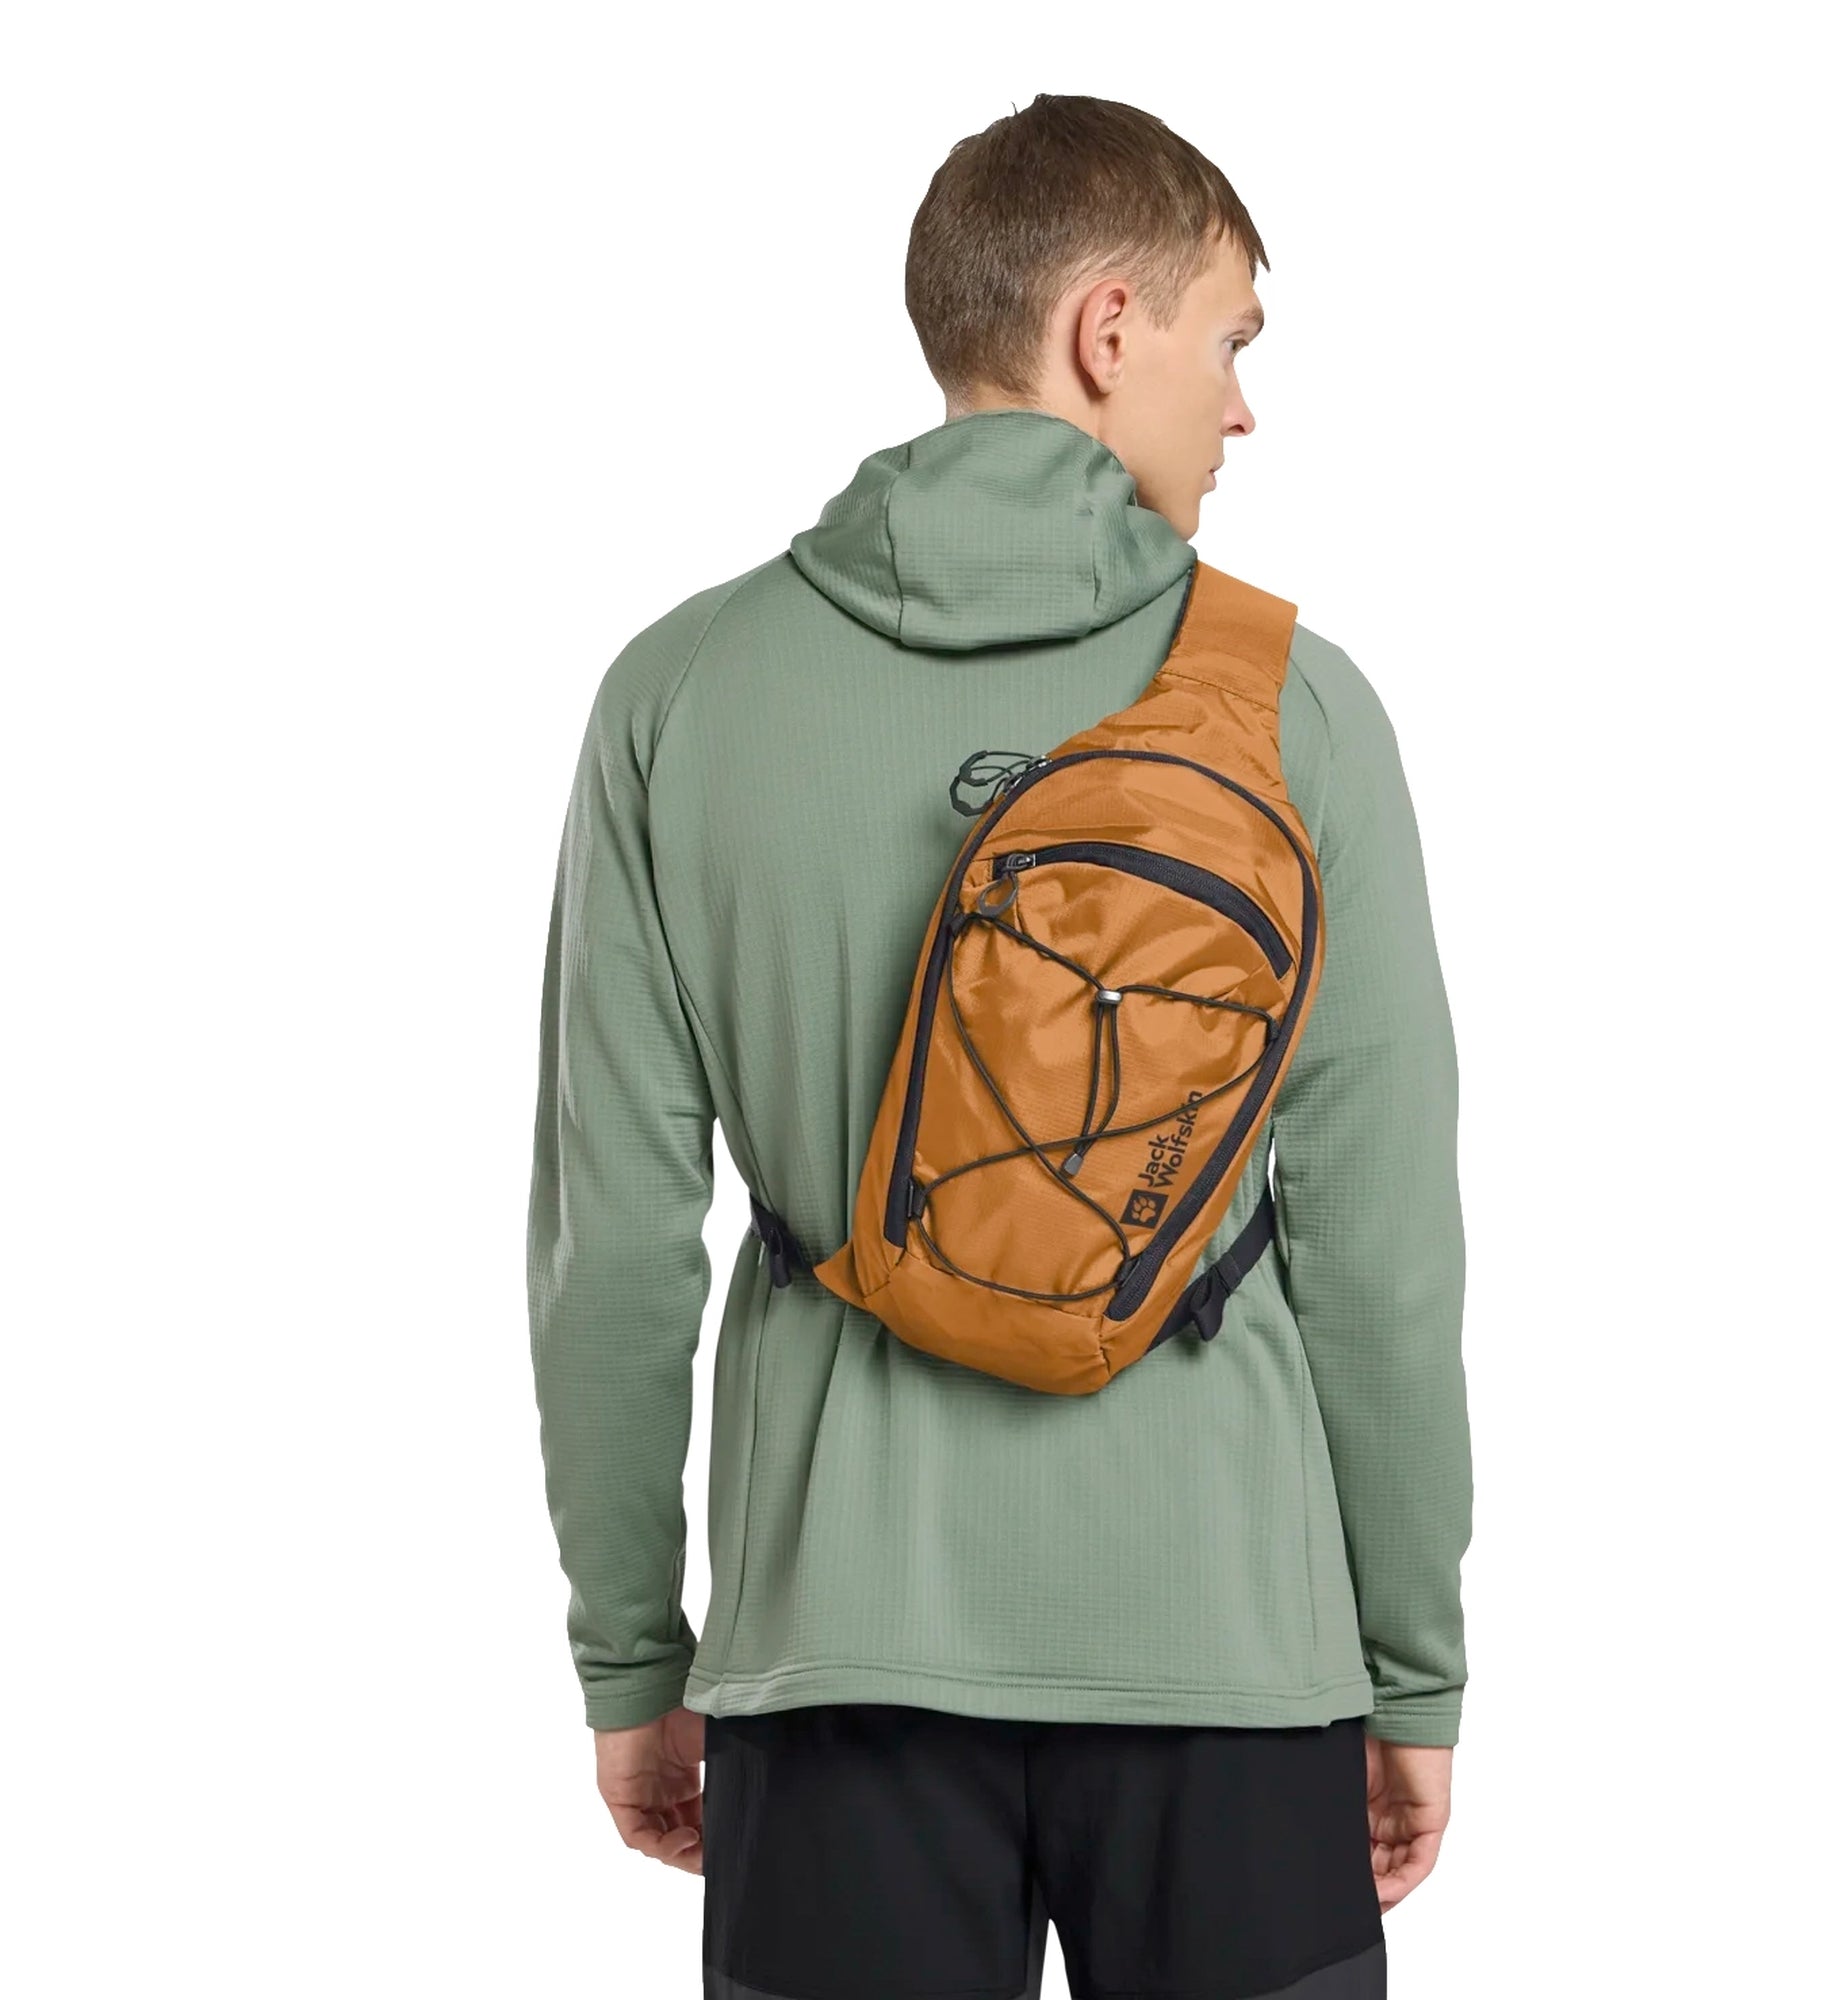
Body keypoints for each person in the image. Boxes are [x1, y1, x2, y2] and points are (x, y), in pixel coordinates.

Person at [527, 91, 1472, 2000]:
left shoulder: (682, 693)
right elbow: (1379, 1249)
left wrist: (635, 1659)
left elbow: (612, 1247)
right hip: (1230, 1653)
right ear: (1108, 329)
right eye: (1230, 340)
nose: (1243, 408)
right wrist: (1409, 1671)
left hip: (832, 1654)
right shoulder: (1299, 708)